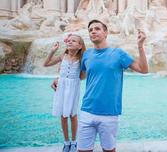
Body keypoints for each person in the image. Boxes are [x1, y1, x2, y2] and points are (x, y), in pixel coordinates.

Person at [53, 19, 148, 152]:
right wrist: (59, 80)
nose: (93, 32)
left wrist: (140, 46)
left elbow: (143, 69)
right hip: (86, 111)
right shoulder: (86, 55)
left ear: (106, 33)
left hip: (109, 113)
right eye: (90, 30)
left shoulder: (118, 54)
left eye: (97, 29)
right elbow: (77, 76)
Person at [44, 34, 86, 152]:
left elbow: (82, 77)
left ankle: (74, 142)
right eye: (69, 40)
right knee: (63, 115)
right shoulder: (63, 56)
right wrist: (52, 51)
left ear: (80, 46)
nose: (70, 42)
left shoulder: (82, 59)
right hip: (62, 87)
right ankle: (66, 142)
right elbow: (46, 64)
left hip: (73, 87)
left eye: (74, 41)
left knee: (73, 114)